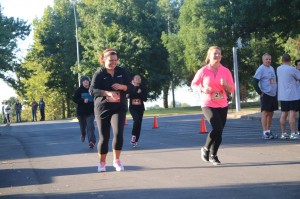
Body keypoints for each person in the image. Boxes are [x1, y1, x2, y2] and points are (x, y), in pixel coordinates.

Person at [90, 49, 134, 172]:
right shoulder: (98, 74)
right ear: (104, 59)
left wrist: (123, 87)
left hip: (119, 108)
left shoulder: (122, 72)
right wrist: (106, 93)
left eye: (115, 60)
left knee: (119, 133)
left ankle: (116, 160)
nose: (113, 63)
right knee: (104, 137)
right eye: (110, 60)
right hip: (103, 108)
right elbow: (92, 90)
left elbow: (131, 88)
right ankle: (102, 163)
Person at [191, 46, 235, 166]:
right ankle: (206, 149)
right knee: (217, 128)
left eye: (219, 54)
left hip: (222, 103)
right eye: (215, 54)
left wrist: (226, 85)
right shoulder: (203, 71)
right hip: (208, 104)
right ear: (209, 56)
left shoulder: (225, 71)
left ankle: (213, 155)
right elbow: (193, 84)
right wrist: (203, 89)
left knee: (219, 132)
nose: (217, 55)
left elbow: (232, 88)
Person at [252, 53, 278, 139]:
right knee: (265, 113)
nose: (268, 61)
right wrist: (260, 92)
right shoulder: (261, 69)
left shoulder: (271, 68)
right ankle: (264, 132)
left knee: (271, 113)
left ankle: (268, 131)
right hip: (266, 94)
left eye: (269, 59)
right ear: (263, 60)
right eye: (266, 59)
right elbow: (254, 81)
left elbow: (272, 80)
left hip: (273, 94)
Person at [277, 54, 300, 139]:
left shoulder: (278, 69)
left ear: (282, 61)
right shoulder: (292, 69)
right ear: (290, 61)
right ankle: (293, 133)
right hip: (292, 96)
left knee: (283, 114)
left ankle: (283, 133)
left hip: (282, 96)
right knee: (292, 115)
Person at [72, 75, 96, 149]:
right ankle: (83, 134)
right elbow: (74, 99)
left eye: (87, 81)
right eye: (84, 81)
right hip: (81, 113)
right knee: (83, 127)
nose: (86, 82)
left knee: (90, 126)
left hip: (90, 112)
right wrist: (82, 100)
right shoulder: (79, 90)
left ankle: (91, 141)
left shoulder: (92, 90)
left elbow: (97, 97)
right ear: (82, 82)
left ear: (89, 82)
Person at [127, 74, 148, 147]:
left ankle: (135, 140)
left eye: (139, 78)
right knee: (136, 120)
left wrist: (140, 93)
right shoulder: (130, 87)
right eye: (136, 78)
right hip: (133, 107)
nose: (138, 79)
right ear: (133, 79)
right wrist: (136, 92)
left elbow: (145, 98)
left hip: (140, 108)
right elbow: (128, 96)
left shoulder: (142, 87)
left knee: (139, 124)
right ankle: (133, 136)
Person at [295, 59, 300, 134]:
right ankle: (294, 130)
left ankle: (299, 130)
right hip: (295, 97)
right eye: (299, 64)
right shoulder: (294, 73)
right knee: (292, 114)